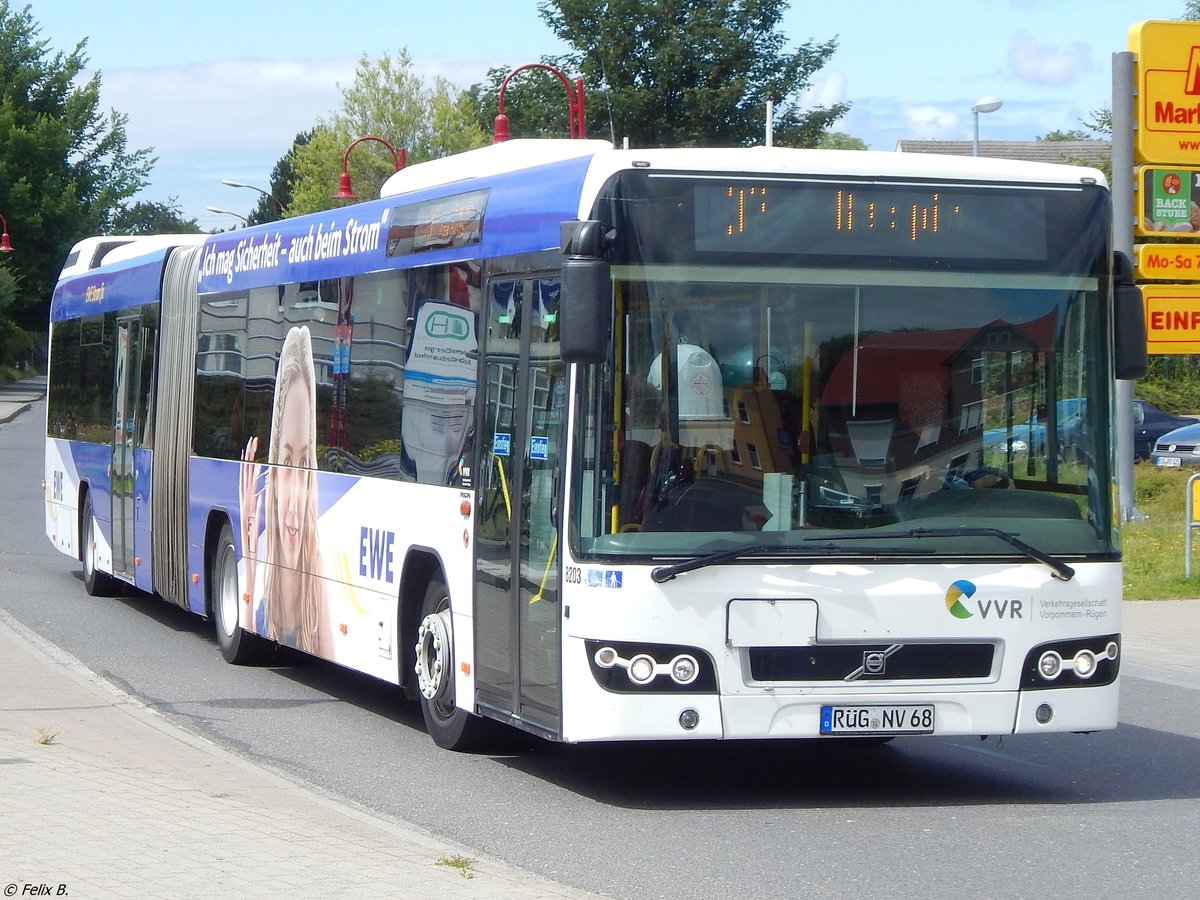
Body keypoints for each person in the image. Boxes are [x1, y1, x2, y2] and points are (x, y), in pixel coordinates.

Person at [239, 325, 332, 656]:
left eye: (304, 464)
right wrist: (249, 563)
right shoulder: (264, 579)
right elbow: (244, 644)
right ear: (272, 476)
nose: (294, 505)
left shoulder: (318, 574)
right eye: (286, 462)